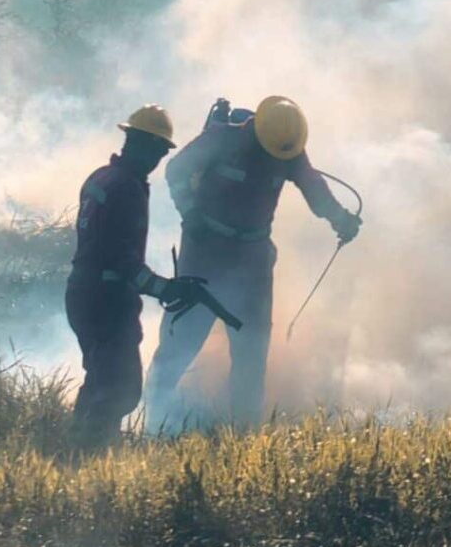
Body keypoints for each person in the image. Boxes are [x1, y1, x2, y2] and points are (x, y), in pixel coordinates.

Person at [144, 95, 361, 429]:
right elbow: (175, 171)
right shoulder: (222, 138)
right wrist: (189, 213)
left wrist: (341, 219)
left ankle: (243, 433)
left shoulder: (286, 149)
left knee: (251, 352)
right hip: (204, 253)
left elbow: (314, 188)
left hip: (253, 261)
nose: (273, 159)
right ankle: (151, 422)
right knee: (181, 340)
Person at [65, 105, 226, 446]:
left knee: (101, 379)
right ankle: (90, 455)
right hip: (107, 301)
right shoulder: (127, 188)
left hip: (82, 292)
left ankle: (76, 445)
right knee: (119, 388)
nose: (158, 160)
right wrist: (163, 288)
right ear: (144, 146)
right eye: (158, 151)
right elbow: (121, 259)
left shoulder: (99, 177)